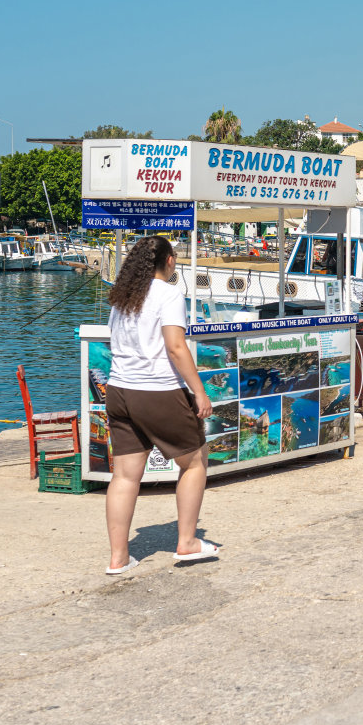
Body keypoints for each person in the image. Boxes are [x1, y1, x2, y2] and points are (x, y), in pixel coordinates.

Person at [103, 236, 218, 575]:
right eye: (175, 259)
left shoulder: (122, 298)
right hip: (156, 390)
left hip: (119, 389)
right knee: (195, 461)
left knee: (124, 475)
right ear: (168, 262)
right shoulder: (169, 294)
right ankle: (187, 542)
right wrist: (199, 392)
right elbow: (175, 347)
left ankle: (118, 558)